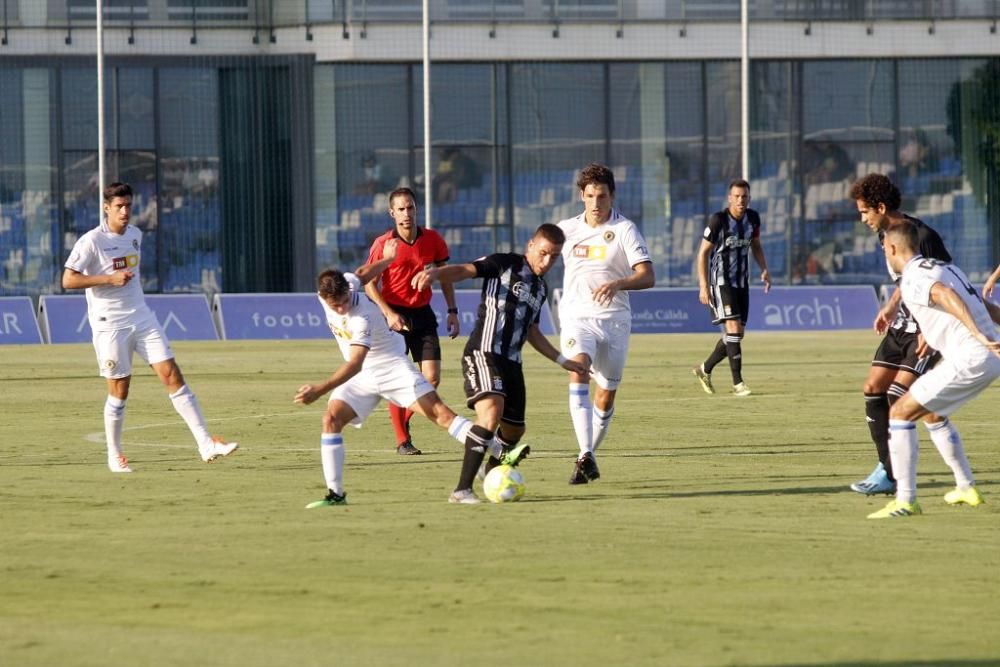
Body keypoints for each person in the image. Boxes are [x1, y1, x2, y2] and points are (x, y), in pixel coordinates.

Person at [294, 239, 518, 506]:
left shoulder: (362, 315)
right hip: (364, 377)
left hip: (391, 367)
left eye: (343, 302)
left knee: (442, 416)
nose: (341, 308)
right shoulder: (334, 289)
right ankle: (336, 494)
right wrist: (387, 260)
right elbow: (363, 273)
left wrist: (320, 389)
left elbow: (354, 362)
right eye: (335, 306)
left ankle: (497, 448)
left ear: (348, 292)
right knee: (331, 419)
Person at [62, 182, 238, 473]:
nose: (125, 211)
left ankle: (206, 443)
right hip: (110, 325)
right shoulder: (91, 241)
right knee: (120, 390)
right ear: (106, 208)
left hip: (141, 316)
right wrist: (108, 280)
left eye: (129, 205)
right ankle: (114, 454)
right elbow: (68, 280)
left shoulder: (135, 235)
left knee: (171, 374)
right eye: (119, 206)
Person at [412, 223, 589, 501]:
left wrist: (562, 360)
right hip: (485, 352)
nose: (547, 261)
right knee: (491, 412)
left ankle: (491, 471)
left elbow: (532, 330)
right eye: (543, 253)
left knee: (515, 430)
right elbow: (465, 270)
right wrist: (436, 273)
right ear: (530, 245)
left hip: (512, 363)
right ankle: (462, 490)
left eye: (554, 257)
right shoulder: (504, 263)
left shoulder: (540, 288)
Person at [868, 221, 1000, 518]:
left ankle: (905, 500)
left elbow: (944, 296)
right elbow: (975, 301)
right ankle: (965, 487)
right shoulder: (943, 266)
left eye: (884, 249)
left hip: (971, 356)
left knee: (900, 413)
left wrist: (978, 334)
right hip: (983, 356)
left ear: (891, 249)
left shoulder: (914, 276)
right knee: (932, 412)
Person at [847, 173, 952, 496]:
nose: (862, 218)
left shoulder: (923, 235)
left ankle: (901, 473)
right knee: (872, 388)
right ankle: (887, 469)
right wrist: (892, 306)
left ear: (881, 207)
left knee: (897, 396)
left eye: (865, 211)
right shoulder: (885, 235)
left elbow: (946, 283)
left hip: (924, 329)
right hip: (900, 327)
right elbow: (906, 279)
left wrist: (932, 329)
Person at [556, 163, 655, 485]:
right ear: (581, 197)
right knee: (578, 368)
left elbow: (647, 276)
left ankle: (588, 457)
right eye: (589, 196)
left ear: (612, 195)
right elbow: (538, 258)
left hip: (614, 321)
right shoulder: (566, 230)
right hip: (576, 316)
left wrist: (618, 283)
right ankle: (585, 454)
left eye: (601, 195)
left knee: (606, 395)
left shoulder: (625, 229)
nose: (596, 203)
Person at [365, 187, 460, 456]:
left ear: (416, 210)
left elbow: (445, 276)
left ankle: (403, 420)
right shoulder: (383, 244)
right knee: (399, 379)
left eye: (411, 208)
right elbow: (369, 285)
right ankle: (402, 439)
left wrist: (452, 310)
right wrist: (388, 313)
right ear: (392, 213)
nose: (407, 214)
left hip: (422, 312)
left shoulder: (433, 240)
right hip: (393, 316)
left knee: (431, 378)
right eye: (401, 209)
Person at [692, 179, 771, 398]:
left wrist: (764, 269)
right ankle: (738, 384)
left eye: (744, 196)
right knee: (734, 330)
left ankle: (704, 369)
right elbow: (702, 254)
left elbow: (756, 245)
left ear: (749, 198)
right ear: (729, 198)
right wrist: (703, 286)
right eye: (736, 196)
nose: (740, 200)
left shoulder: (753, 219)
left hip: (742, 283)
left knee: (737, 335)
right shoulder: (718, 220)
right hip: (721, 281)